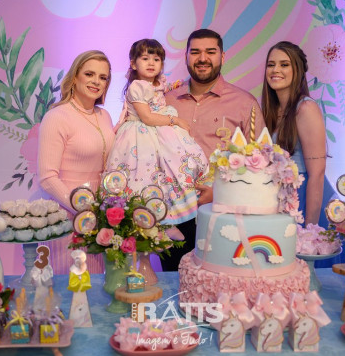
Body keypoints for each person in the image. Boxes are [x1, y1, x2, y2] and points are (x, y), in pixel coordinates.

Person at [163, 29, 266, 270]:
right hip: (172, 214)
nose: (202, 58)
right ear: (186, 56)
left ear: (222, 56)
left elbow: (259, 166)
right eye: (195, 52)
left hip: (222, 212)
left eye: (210, 52)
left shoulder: (244, 103)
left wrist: (220, 190)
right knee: (173, 282)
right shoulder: (166, 100)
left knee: (219, 282)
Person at [106, 39, 208, 225]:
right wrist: (175, 121)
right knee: (144, 174)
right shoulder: (137, 86)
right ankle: (151, 216)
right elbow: (147, 117)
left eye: (156, 59)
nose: (151, 63)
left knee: (170, 169)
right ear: (133, 63)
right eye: (145, 58)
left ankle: (171, 214)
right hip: (141, 134)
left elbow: (160, 90)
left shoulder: (157, 82)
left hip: (158, 131)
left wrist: (173, 86)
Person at [38, 50, 115, 274]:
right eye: (89, 74)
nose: (96, 81)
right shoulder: (57, 117)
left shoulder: (104, 116)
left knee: (97, 285)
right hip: (67, 216)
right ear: (74, 77)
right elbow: (47, 178)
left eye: (103, 77)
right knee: (71, 285)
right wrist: (82, 210)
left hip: (100, 216)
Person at [261, 41, 326, 225]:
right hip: (278, 201)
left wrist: (310, 229)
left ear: (298, 70)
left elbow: (317, 173)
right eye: (271, 64)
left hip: (303, 199)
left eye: (284, 65)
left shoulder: (305, 108)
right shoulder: (271, 111)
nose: (275, 70)